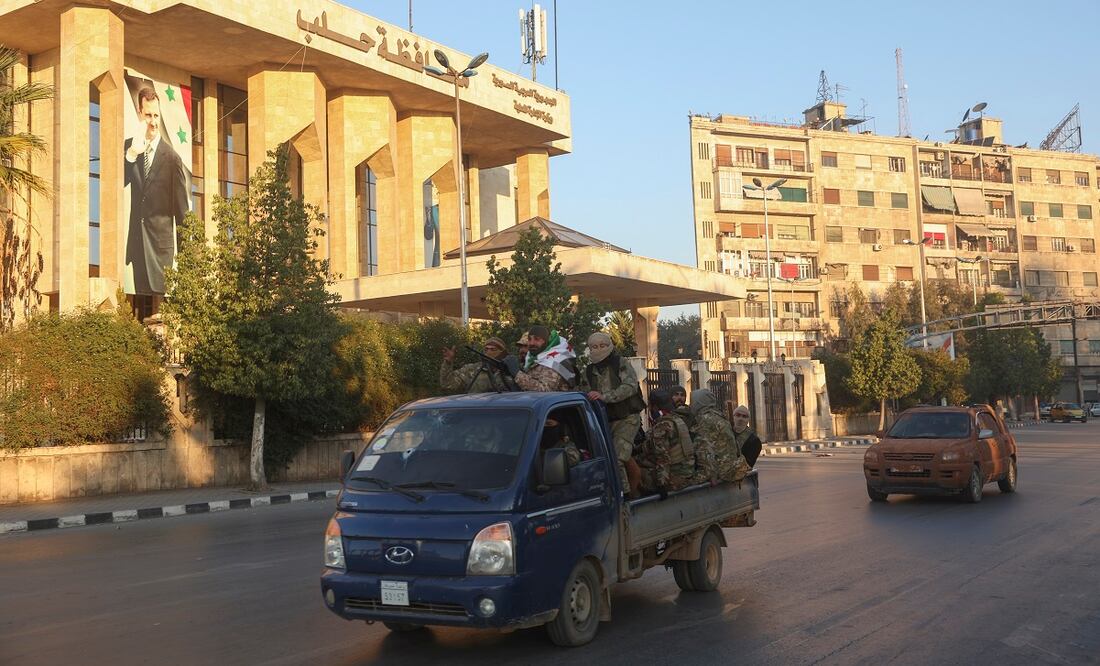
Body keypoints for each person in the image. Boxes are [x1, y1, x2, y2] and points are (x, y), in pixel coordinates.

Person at [124, 86, 189, 295]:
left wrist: (188, 266)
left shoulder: (171, 159)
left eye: (156, 115)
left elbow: (183, 215)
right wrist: (131, 155)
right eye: (148, 115)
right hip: (137, 246)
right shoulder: (129, 148)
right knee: (138, 312)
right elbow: (115, 184)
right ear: (139, 113)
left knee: (160, 318)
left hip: (161, 253)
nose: (152, 122)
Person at [580, 331, 646, 489]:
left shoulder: (620, 363)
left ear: (610, 345)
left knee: (616, 458)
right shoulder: (588, 371)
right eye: (594, 347)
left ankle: (623, 495)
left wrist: (605, 397)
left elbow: (630, 386)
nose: (599, 349)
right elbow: (583, 392)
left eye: (603, 345)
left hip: (627, 419)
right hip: (604, 421)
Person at [636, 389, 695, 496]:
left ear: (654, 407)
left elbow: (662, 457)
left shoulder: (662, 425)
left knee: (636, 472)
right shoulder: (677, 419)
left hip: (676, 477)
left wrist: (661, 485)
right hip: (687, 471)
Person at [690, 390, 749, 484]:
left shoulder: (705, 419)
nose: (691, 405)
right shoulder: (718, 416)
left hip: (722, 471)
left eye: (693, 402)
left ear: (699, 402)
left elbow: (703, 448)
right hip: (733, 467)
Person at [515, 325, 575, 392]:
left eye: (537, 339)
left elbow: (546, 391)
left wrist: (517, 373)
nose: (531, 343)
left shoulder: (555, 361)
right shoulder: (534, 360)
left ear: (546, 341)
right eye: (529, 339)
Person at [439, 337, 508, 393]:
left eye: (493, 349)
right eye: (486, 349)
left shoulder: (510, 369)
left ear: (502, 352)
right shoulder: (473, 369)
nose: (488, 352)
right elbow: (448, 384)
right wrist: (448, 363)